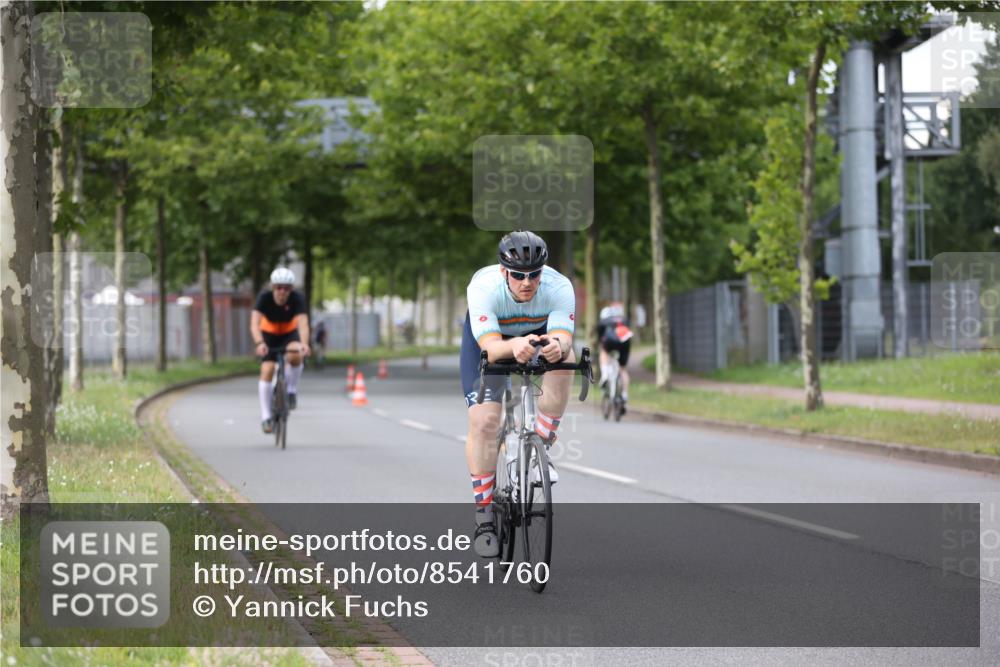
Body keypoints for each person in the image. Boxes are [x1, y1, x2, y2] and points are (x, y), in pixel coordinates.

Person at [460, 230, 576, 558]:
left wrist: (557, 346)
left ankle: (541, 445)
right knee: (485, 421)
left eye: (534, 274)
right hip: (492, 341)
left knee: (566, 358)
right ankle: (484, 518)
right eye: (518, 275)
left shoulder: (558, 287)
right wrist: (513, 346)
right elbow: (490, 348)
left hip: (536, 332)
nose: (527, 282)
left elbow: (563, 336)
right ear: (503, 272)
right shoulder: (483, 287)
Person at [251, 267, 310, 433]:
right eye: (278, 287)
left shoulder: (297, 298)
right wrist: (259, 343)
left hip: (288, 334)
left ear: (291, 289)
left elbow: (303, 324)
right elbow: (254, 323)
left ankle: (291, 390)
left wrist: (304, 344)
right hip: (268, 335)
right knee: (267, 370)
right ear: (273, 287)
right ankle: (266, 417)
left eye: (286, 288)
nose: (282, 292)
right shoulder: (264, 298)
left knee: (296, 355)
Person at [596, 301, 633, 409]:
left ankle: (605, 375)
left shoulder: (603, 321)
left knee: (603, 352)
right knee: (623, 369)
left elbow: (600, 338)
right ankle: (624, 394)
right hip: (625, 340)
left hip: (610, 340)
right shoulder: (624, 319)